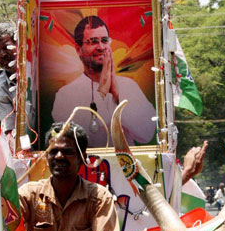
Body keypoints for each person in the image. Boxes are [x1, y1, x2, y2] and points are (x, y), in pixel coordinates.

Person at [18, 121, 119, 231]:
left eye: (67, 151)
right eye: (53, 151)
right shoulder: (28, 194)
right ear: (46, 158)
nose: (59, 156)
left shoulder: (99, 197)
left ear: (82, 158)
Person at [51, 15, 156, 147]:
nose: (100, 47)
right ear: (78, 49)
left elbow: (147, 134)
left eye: (104, 41)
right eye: (93, 41)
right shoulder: (65, 94)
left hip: (124, 165)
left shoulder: (129, 86)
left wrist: (117, 96)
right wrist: (102, 91)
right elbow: (79, 139)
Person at [0, 23, 34, 149]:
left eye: (6, 47)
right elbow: (10, 131)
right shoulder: (1, 89)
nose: (3, 54)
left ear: (18, 45)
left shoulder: (37, 68)